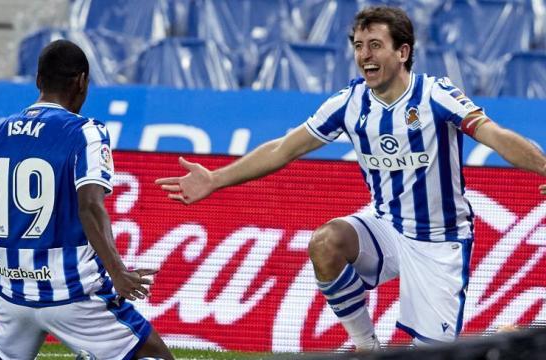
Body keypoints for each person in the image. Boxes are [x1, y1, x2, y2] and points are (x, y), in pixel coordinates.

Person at [155, 6, 546, 350]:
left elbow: (494, 135)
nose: (364, 56)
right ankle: (365, 346)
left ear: (402, 52)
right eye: (358, 46)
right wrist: (215, 179)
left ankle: (505, 340)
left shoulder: (435, 95)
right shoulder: (349, 102)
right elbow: (284, 148)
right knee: (326, 243)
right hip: (386, 228)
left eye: (375, 45)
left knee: (431, 352)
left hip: (439, 242)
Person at [0, 40, 174, 360]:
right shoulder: (85, 132)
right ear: (82, 82)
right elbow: (89, 206)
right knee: (156, 356)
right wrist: (117, 271)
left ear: (38, 81)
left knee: (0, 357)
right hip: (72, 292)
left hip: (11, 292)